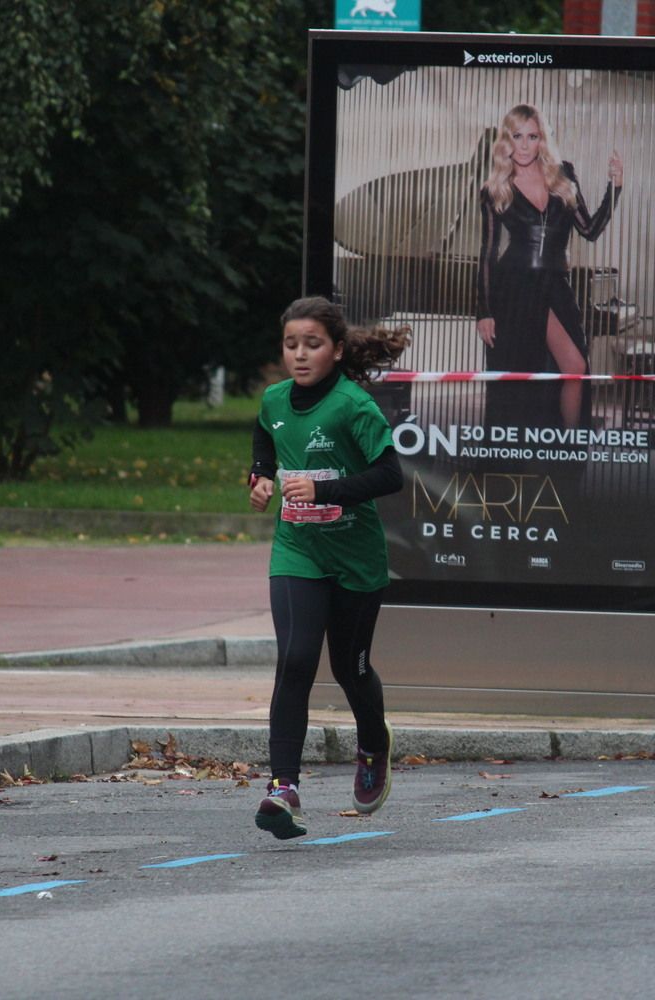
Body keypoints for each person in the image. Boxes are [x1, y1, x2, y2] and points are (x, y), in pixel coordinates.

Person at [247, 296, 410, 839]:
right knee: (295, 659)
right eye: (291, 344)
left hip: (355, 561)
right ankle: (283, 789)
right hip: (298, 550)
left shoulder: (352, 406)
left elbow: (390, 475)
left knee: (350, 668)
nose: (299, 354)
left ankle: (373, 744)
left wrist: (326, 488)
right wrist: (261, 476)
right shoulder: (273, 400)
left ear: (337, 351)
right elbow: (266, 437)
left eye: (312, 344)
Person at [476, 103, 623, 429]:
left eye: (533, 136)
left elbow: (590, 229)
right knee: (518, 377)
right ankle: (515, 451)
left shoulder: (563, 175)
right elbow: (487, 252)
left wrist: (614, 188)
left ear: (543, 140)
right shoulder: (495, 188)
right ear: (506, 141)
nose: (525, 145)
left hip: (556, 285)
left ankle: (569, 449)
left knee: (574, 366)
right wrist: (484, 310)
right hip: (514, 287)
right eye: (517, 137)